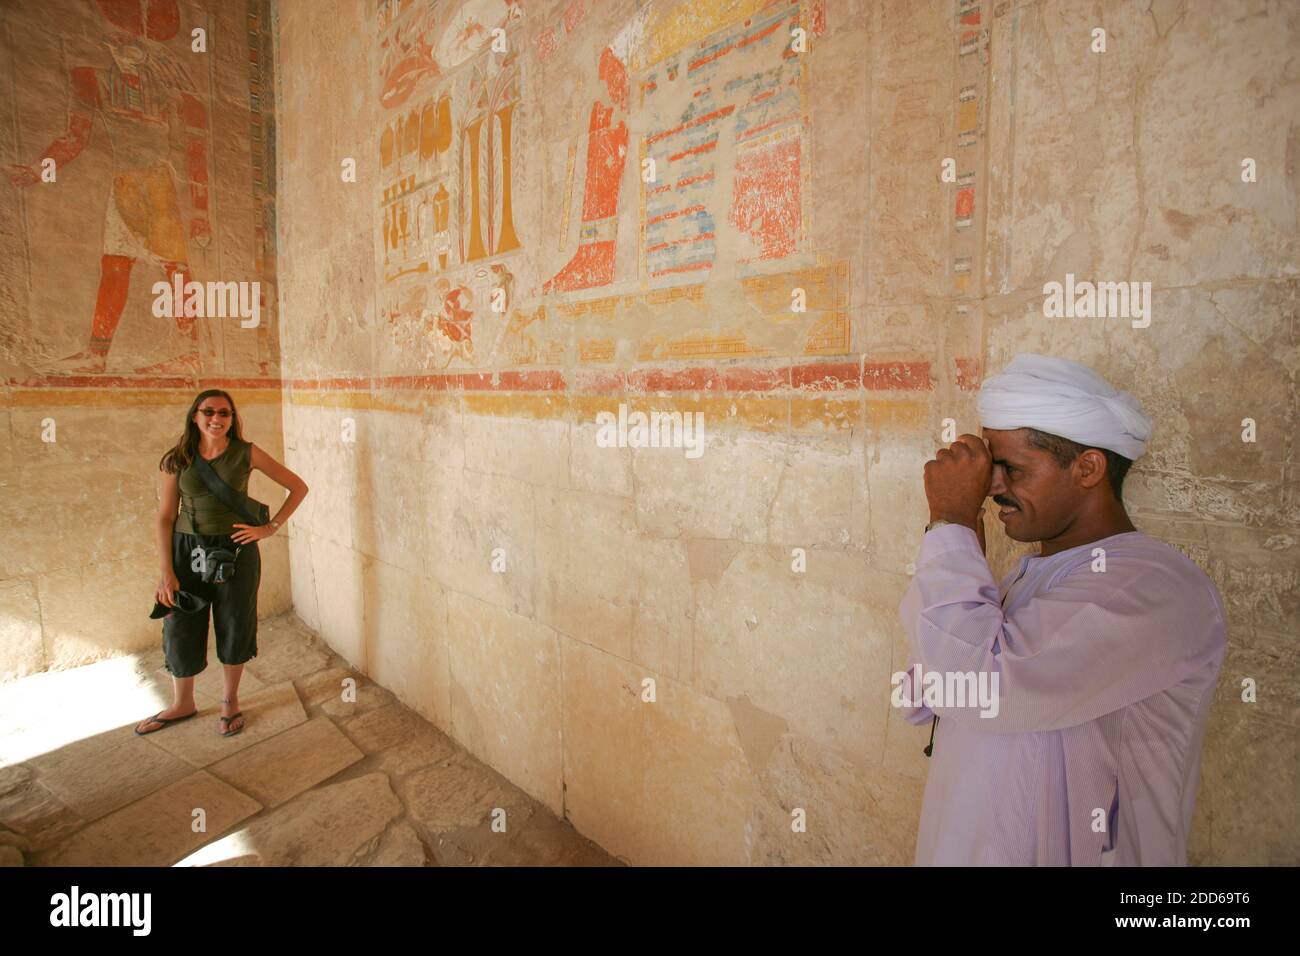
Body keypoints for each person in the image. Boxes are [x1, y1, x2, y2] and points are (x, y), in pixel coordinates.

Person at [897, 353, 1226, 865]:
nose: (991, 488)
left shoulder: (1150, 587)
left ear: (1088, 467)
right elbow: (928, 695)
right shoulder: (1034, 577)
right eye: (990, 469)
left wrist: (950, 524)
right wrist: (957, 550)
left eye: (1010, 468)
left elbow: (975, 687)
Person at [135, 389, 308, 737]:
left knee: (234, 621)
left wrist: (269, 528)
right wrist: (166, 573)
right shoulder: (177, 458)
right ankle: (183, 702)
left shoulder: (246, 453)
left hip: (236, 551)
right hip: (187, 551)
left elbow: (298, 487)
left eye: (224, 413)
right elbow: (165, 517)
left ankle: (230, 702)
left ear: (232, 418)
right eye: (209, 411)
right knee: (180, 624)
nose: (217, 419)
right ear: (195, 416)